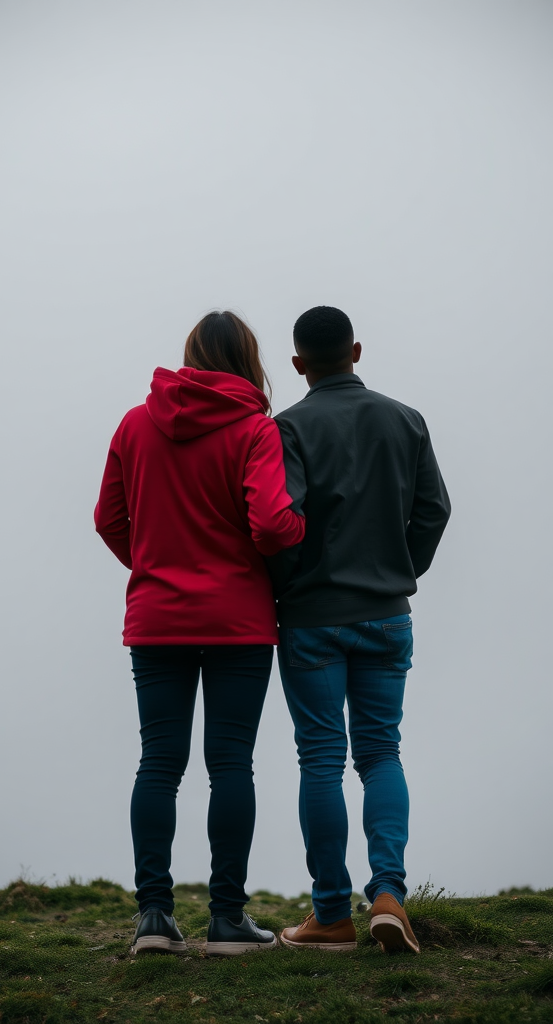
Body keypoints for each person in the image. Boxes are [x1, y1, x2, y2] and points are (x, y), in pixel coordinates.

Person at [94, 311, 305, 956]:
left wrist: (156, 563)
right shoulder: (254, 428)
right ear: (247, 359)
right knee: (229, 763)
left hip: (157, 619)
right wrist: (295, 536)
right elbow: (272, 525)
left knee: (159, 762)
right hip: (239, 619)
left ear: (190, 356)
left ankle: (153, 918)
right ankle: (226, 919)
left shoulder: (135, 423)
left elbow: (108, 519)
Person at [269, 306, 451, 954]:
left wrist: (287, 586)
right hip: (386, 614)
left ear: (298, 364)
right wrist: (402, 569)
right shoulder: (406, 419)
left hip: (313, 619)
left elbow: (281, 520)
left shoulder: (287, 426)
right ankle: (388, 897)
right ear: (357, 350)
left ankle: (329, 915)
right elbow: (434, 511)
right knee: (380, 754)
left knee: (320, 759)